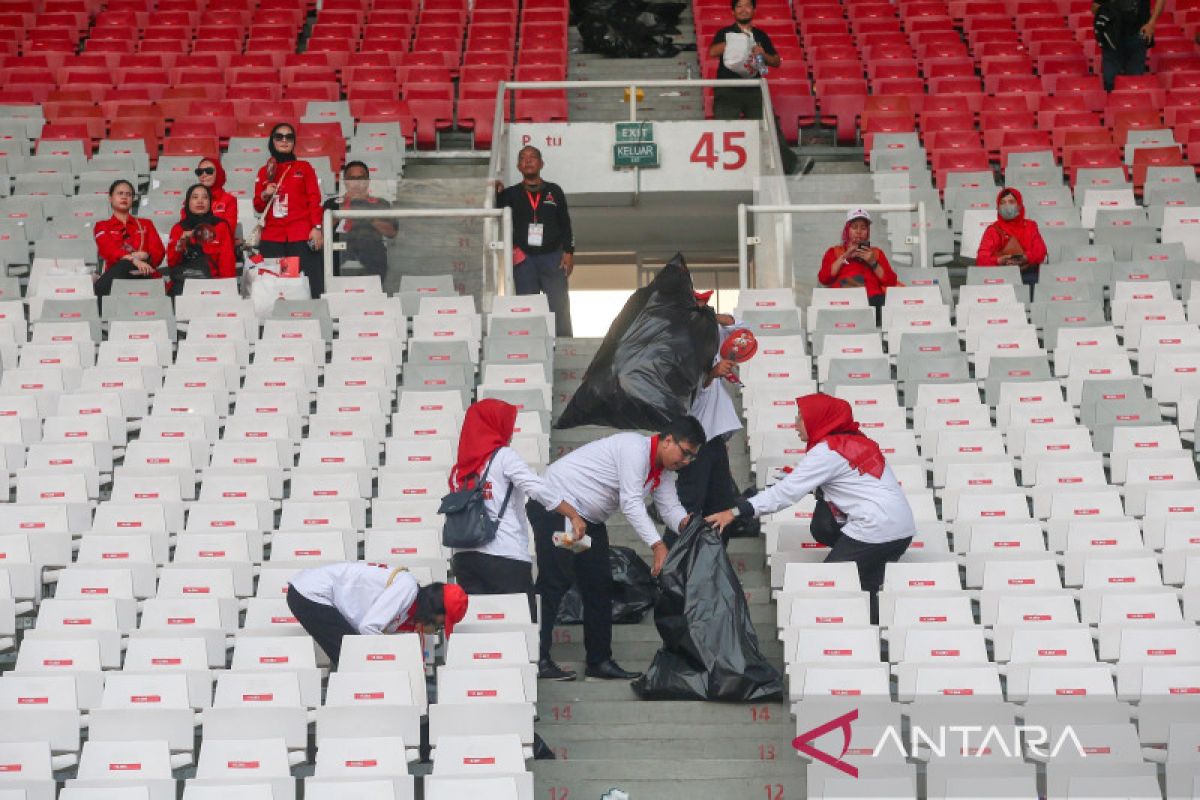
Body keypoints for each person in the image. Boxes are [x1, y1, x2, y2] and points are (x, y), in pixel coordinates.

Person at [706, 393, 915, 622]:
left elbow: (785, 493)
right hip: (900, 530)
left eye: (801, 418)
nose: (795, 424)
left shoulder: (827, 452)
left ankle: (849, 642)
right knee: (865, 591)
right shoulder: (856, 442)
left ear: (819, 420)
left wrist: (736, 511)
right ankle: (871, 641)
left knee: (832, 587)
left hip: (875, 529)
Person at [529, 416, 704, 681]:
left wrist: (687, 525)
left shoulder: (663, 471)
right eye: (685, 453)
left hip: (586, 522)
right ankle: (537, 658)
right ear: (668, 440)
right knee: (555, 580)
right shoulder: (635, 449)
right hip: (557, 508)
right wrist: (657, 545)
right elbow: (631, 503)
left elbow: (669, 507)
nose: (686, 462)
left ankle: (599, 662)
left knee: (599, 585)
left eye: (691, 458)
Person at [448, 398, 589, 613]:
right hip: (504, 556)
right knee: (521, 627)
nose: (511, 432)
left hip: (463, 558)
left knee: (479, 627)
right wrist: (573, 514)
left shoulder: (461, 466)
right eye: (507, 424)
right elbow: (537, 489)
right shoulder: (503, 456)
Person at [673, 291, 751, 539]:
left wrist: (711, 318)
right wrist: (711, 375)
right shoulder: (679, 342)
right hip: (693, 439)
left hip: (714, 438)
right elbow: (686, 394)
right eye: (697, 304)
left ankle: (714, 563)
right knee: (689, 507)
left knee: (721, 507)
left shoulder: (711, 333)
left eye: (706, 304)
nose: (703, 307)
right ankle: (675, 564)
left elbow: (742, 329)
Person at [286, 561, 468, 667]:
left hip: (312, 593)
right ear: (435, 609)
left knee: (354, 660)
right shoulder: (407, 588)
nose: (438, 629)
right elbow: (368, 627)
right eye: (442, 624)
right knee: (354, 661)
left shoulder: (409, 603)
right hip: (312, 593)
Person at [707, 0, 803, 175]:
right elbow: (712, 52)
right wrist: (736, 41)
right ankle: (718, 172)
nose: (744, 10)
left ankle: (791, 167)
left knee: (770, 126)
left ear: (754, 10)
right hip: (727, 90)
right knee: (723, 129)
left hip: (754, 89)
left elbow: (776, 62)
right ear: (733, 11)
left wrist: (763, 54)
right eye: (739, 6)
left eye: (747, 6)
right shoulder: (725, 33)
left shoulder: (761, 35)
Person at [494, 146, 574, 337]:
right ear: (518, 166)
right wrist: (495, 193)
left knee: (558, 305)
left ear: (541, 163)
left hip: (553, 257)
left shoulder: (554, 191)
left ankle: (564, 346)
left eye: (533, 157)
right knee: (526, 307)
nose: (528, 161)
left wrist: (569, 252)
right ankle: (529, 345)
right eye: (523, 158)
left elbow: (565, 223)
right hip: (524, 258)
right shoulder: (511, 194)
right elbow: (496, 215)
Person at [253, 122, 326, 296]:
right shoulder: (264, 171)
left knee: (308, 284)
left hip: (300, 235)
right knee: (272, 287)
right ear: (272, 141)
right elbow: (258, 206)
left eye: (289, 137)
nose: (284, 141)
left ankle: (311, 319)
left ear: (294, 142)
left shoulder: (304, 167)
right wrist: (265, 194)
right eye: (279, 137)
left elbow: (314, 199)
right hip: (272, 236)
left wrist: (316, 227)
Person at [323, 160, 397, 282]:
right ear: (345, 182)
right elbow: (322, 231)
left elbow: (392, 232)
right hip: (339, 249)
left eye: (361, 178)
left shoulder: (380, 203)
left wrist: (366, 212)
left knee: (376, 254)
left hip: (370, 248)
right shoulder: (332, 203)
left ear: (368, 181)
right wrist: (341, 211)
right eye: (351, 179)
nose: (356, 183)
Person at [818, 209, 898, 319]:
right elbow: (823, 278)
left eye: (863, 228)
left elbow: (891, 282)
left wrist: (873, 263)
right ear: (847, 230)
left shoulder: (876, 253)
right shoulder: (835, 252)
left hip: (873, 303)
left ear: (868, 232)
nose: (859, 231)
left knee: (886, 304)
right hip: (843, 302)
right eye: (854, 227)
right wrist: (844, 256)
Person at [93, 179, 166, 297]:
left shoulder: (146, 223)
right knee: (123, 264)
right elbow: (108, 250)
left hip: (144, 274)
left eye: (128, 194)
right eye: (120, 193)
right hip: (116, 278)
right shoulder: (101, 226)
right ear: (110, 198)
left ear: (133, 199)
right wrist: (134, 259)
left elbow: (159, 252)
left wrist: (147, 255)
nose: (124, 197)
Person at [974, 188, 1048, 294]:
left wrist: (1025, 258)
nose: (1007, 206)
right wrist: (1000, 261)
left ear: (1019, 205)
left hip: (1027, 274)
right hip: (1001, 276)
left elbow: (1040, 251)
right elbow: (981, 258)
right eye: (1002, 203)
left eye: (1011, 202)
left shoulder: (1030, 226)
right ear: (998, 207)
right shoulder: (993, 230)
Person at [166, 184, 236, 294]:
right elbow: (172, 263)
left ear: (210, 202)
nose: (200, 201)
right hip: (185, 283)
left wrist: (227, 289)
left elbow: (227, 262)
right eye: (195, 197)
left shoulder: (220, 226)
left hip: (213, 283)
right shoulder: (179, 228)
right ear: (188, 202)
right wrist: (181, 243)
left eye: (205, 197)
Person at [1095, 0, 1164, 91]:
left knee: (1135, 83)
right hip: (1112, 35)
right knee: (1110, 82)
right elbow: (1095, 7)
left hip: (1137, 33)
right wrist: (1107, 10)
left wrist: (1151, 23)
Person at [189, 156, 238, 239]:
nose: (204, 175)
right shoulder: (191, 199)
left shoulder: (229, 200)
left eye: (209, 171)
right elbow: (185, 227)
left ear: (218, 173)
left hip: (220, 248)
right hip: (196, 248)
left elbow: (228, 230)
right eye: (199, 172)